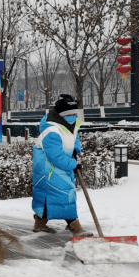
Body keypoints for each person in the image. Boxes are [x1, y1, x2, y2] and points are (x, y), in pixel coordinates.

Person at [31, 94, 93, 237]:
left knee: (52, 196)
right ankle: (75, 227)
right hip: (48, 169)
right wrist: (74, 164)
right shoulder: (52, 130)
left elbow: (73, 136)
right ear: (61, 114)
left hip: (59, 167)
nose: (72, 116)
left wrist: (76, 149)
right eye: (69, 114)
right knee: (64, 195)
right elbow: (56, 157)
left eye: (74, 113)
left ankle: (40, 222)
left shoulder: (69, 123)